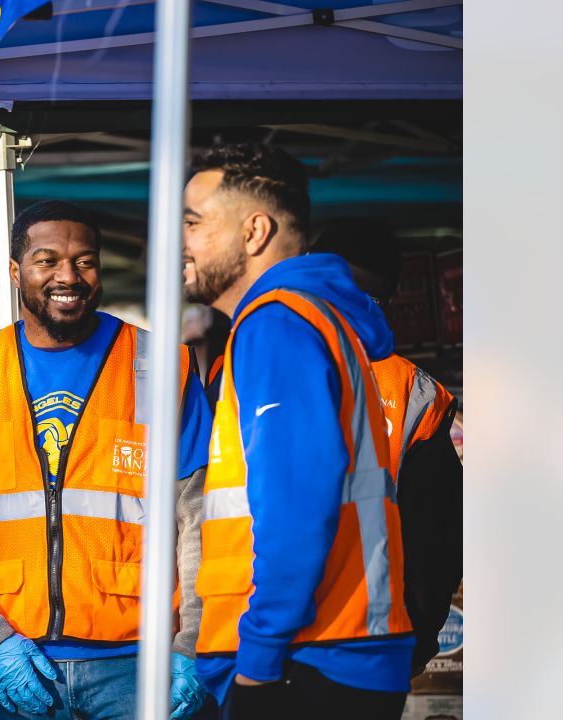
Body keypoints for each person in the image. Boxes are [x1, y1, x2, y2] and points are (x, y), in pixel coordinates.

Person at [0, 200, 213, 720]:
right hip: (18, 664)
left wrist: (193, 645)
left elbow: (201, 516)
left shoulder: (163, 367)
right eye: (47, 260)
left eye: (85, 260)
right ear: (15, 271)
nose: (67, 276)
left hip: (141, 667)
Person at [182, 143, 413, 720]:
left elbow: (297, 503)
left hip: (303, 659)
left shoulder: (278, 323)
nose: (180, 242)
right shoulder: (309, 316)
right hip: (329, 648)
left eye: (193, 223)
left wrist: (258, 658)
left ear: (254, 230)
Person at [313, 220, 463, 676]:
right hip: (365, 647)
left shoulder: (249, 365)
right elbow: (438, 540)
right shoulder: (417, 391)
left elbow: (436, 538)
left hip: (278, 641)